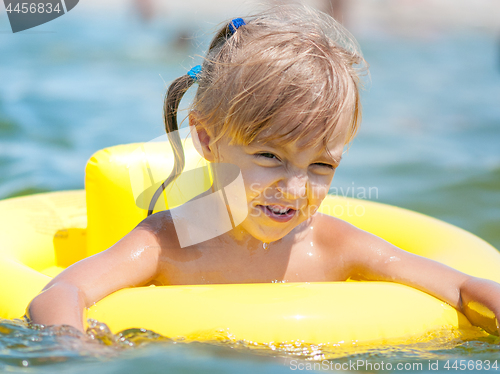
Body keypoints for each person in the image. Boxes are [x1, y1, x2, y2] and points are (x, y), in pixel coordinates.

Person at [28, 4, 500, 336]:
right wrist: (73, 346)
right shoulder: (166, 244)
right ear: (208, 139)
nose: (294, 188)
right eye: (270, 157)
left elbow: (458, 285)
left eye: (319, 165)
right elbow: (62, 291)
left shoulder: (333, 245)